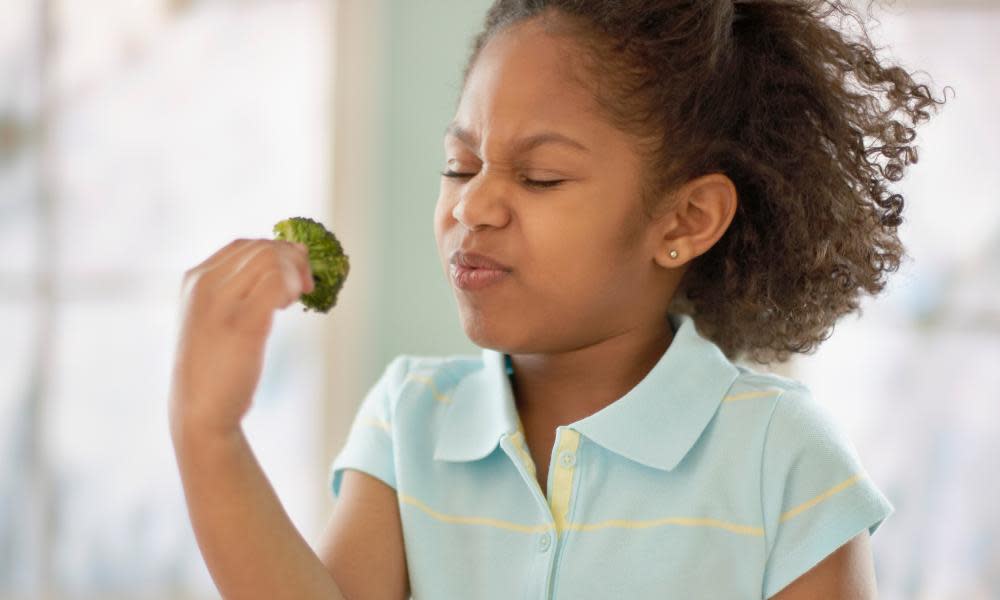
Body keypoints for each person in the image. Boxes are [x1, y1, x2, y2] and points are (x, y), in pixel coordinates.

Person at [168, 1, 945, 598]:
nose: (473, 207)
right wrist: (209, 433)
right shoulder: (409, 422)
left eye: (539, 178)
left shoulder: (785, 460)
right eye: (459, 164)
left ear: (685, 220)